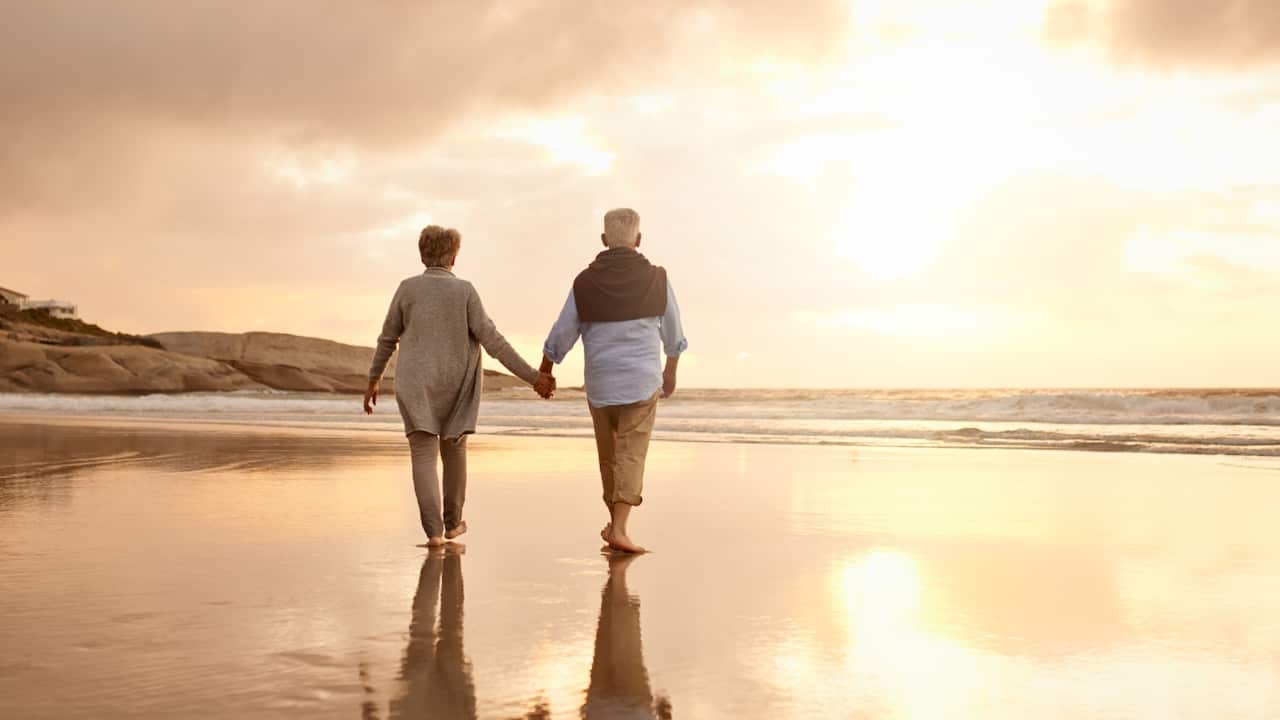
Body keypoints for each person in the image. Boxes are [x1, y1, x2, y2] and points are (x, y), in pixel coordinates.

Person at [365, 225, 554, 547]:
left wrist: (373, 380)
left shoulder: (406, 289)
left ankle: (434, 534)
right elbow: (493, 341)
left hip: (414, 383)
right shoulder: (465, 291)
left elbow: (387, 338)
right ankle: (452, 525)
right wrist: (534, 377)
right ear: (454, 257)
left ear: (422, 254)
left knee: (423, 454)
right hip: (457, 384)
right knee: (453, 450)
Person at [539, 208, 687, 553]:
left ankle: (614, 526)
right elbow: (674, 330)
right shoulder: (657, 279)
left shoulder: (585, 282)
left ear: (604, 240)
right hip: (640, 381)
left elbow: (563, 331)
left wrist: (546, 369)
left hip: (601, 383)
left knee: (609, 456)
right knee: (631, 454)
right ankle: (620, 528)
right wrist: (671, 371)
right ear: (639, 239)